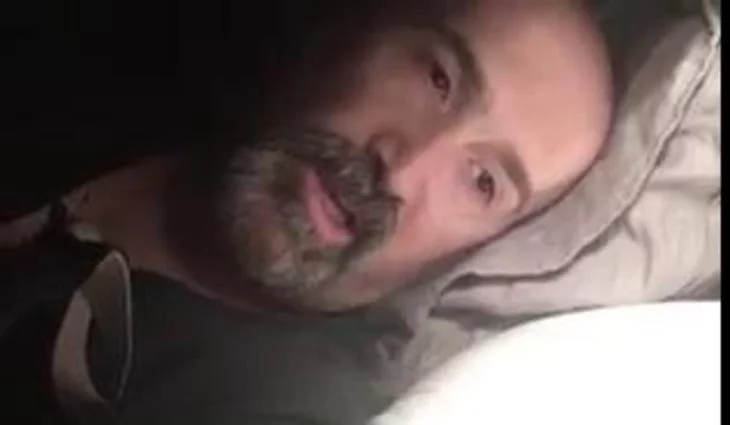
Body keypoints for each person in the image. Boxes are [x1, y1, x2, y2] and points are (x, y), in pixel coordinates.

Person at [0, 0, 719, 423]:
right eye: (438, 78)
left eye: (482, 182)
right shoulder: (107, 60)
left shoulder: (272, 401)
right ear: (364, 23)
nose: (401, 168)